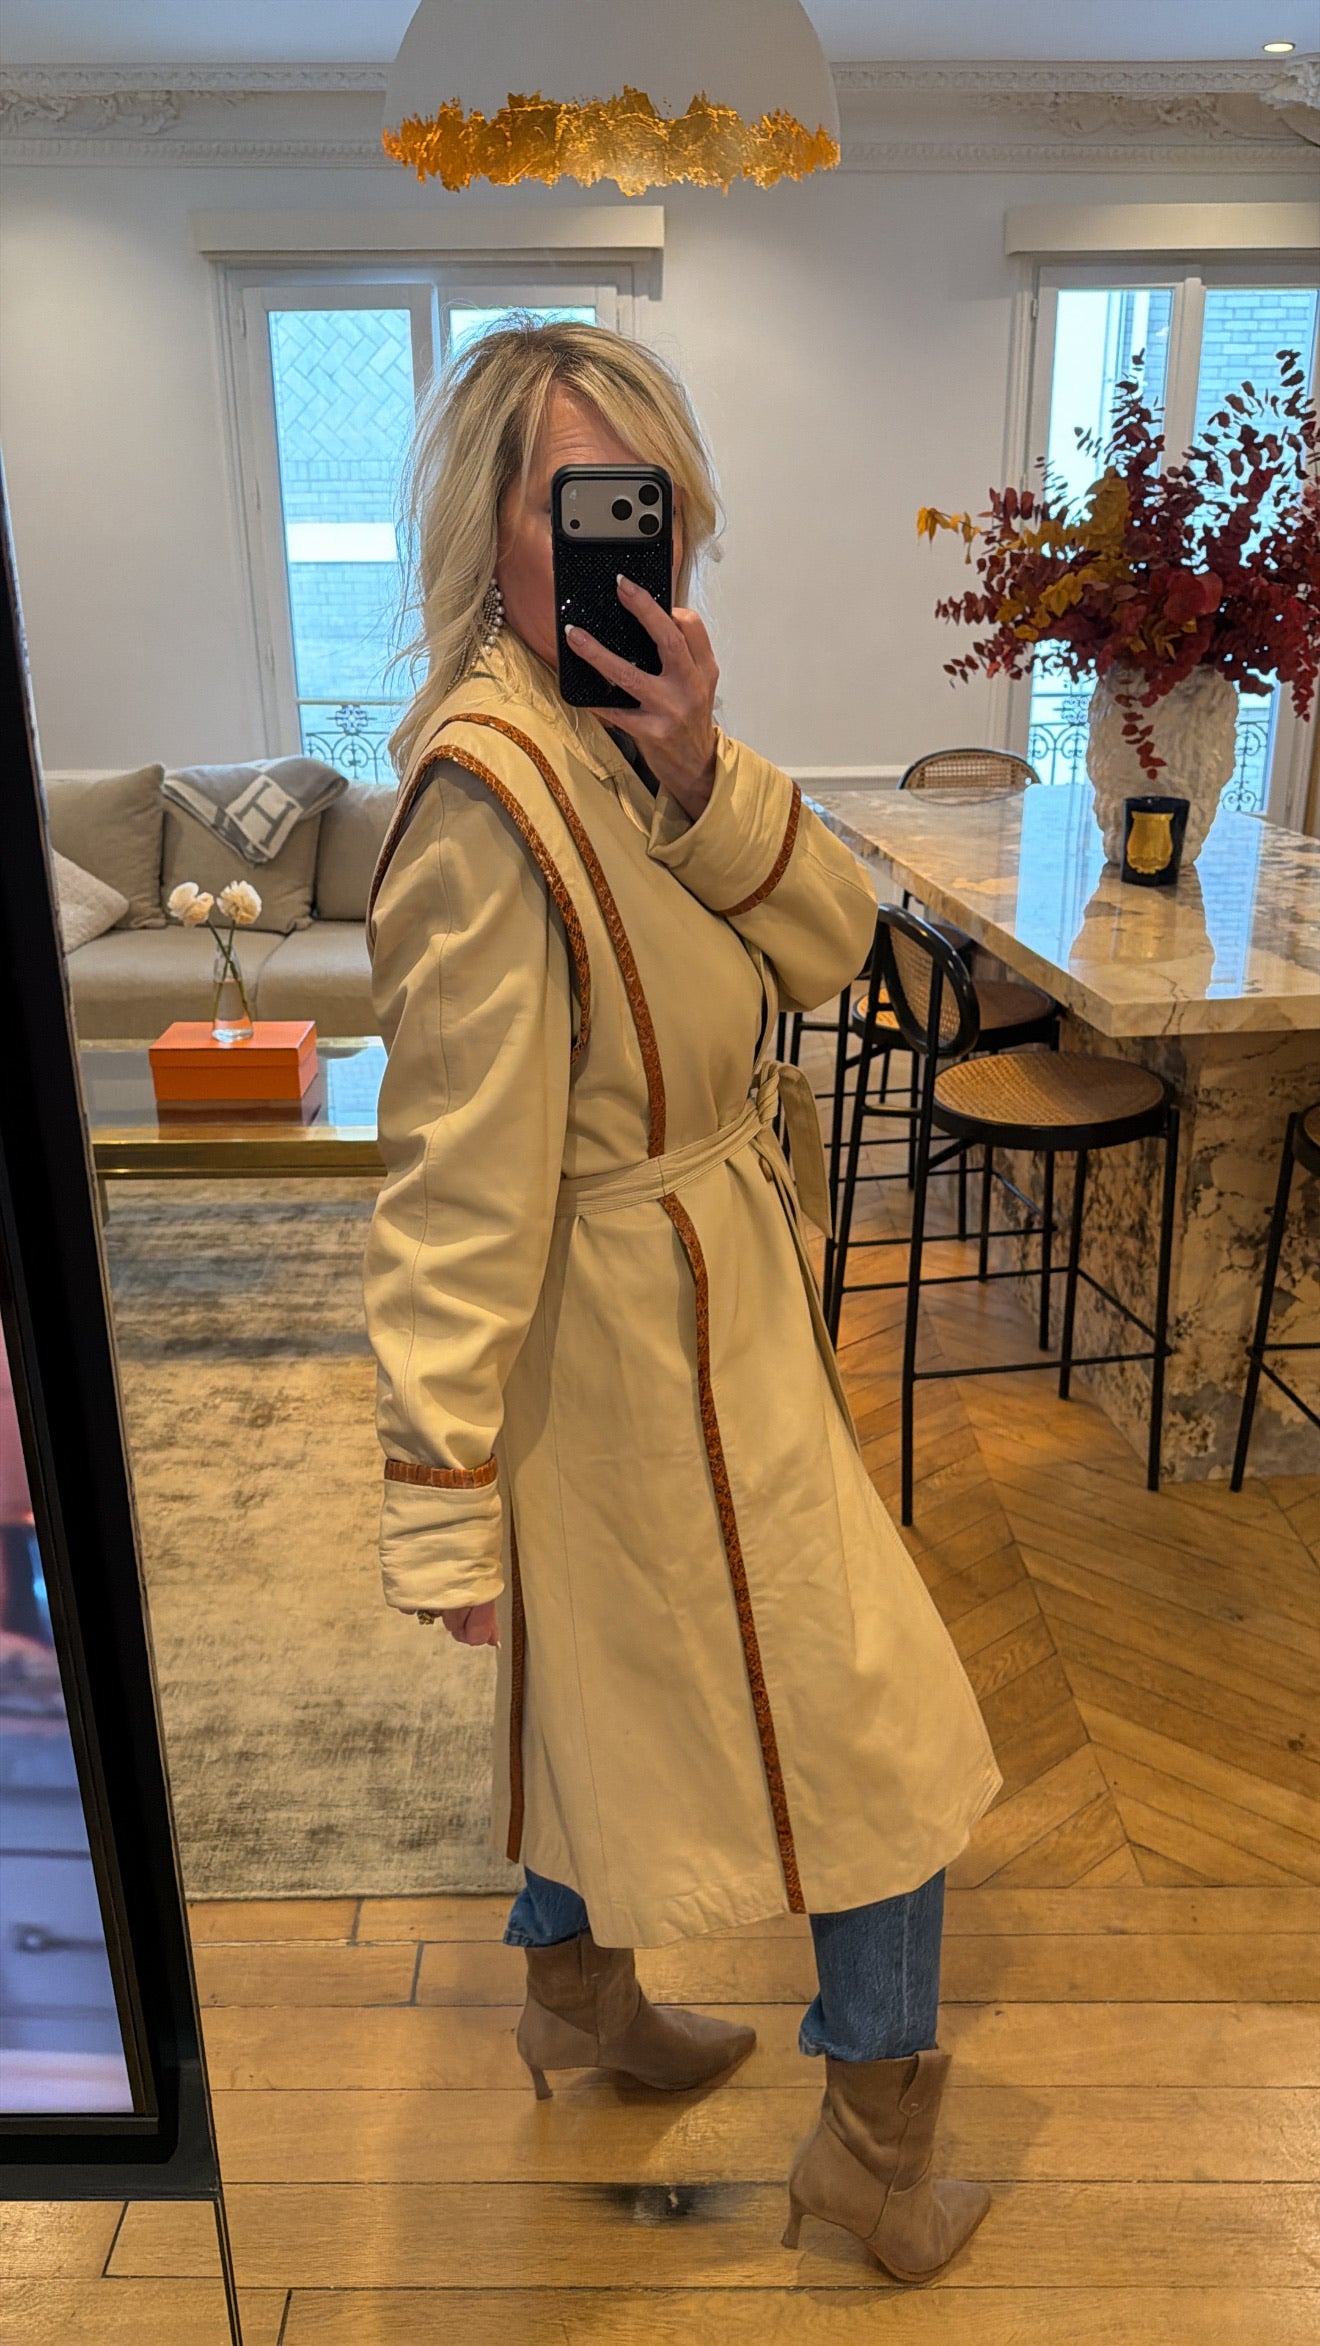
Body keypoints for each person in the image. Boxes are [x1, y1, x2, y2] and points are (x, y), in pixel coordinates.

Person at [363, 320, 1001, 2282]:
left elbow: (829, 950)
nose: (617, 545)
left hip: (723, 1298)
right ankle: (874, 2149)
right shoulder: (490, 802)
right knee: (878, 1729)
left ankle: (576, 1997)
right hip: (637, 1352)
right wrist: (440, 1489)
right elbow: (453, 1179)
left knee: (600, 1688)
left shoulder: (630, 745)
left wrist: (705, 763)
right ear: (492, 528)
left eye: (640, 505)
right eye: (572, 505)